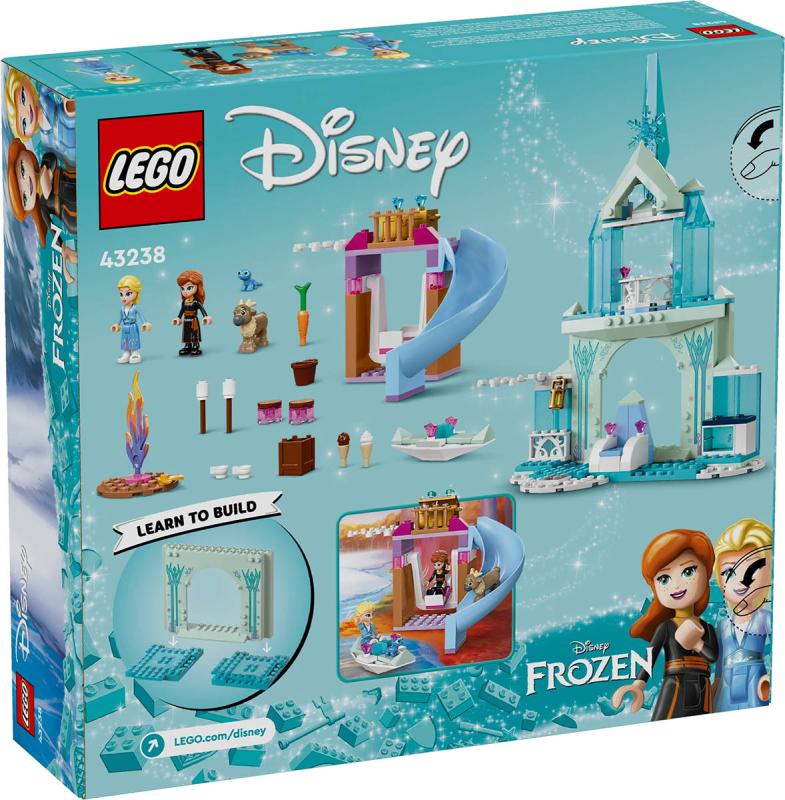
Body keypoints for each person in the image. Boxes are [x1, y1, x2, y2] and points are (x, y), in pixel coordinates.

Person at [612, 529, 718, 720]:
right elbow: (650, 657)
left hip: (702, 687)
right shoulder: (667, 627)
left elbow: (713, 655)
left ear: (706, 574)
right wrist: (638, 685)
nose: (676, 586)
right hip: (675, 684)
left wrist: (697, 643)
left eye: (688, 571)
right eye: (664, 579)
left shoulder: (707, 628)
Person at [713, 518, 772, 711]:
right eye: (729, 572)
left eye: (752, 569)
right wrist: (712, 694)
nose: (741, 580)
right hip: (725, 688)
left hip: (756, 683)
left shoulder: (766, 618)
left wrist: (770, 678)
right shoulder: (722, 625)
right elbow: (718, 668)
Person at [111, 275, 151, 364]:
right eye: (121, 294)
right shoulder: (122, 308)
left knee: (133, 339)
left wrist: (145, 323)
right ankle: (126, 352)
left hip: (133, 326)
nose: (123, 297)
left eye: (128, 294)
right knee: (125, 340)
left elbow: (141, 316)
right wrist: (117, 325)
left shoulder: (135, 308)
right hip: (124, 327)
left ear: (136, 293)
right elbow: (120, 318)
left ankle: (135, 352)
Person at [172, 270, 212, 356]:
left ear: (198, 286)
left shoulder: (196, 302)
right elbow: (181, 311)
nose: (185, 291)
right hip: (186, 319)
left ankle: (195, 346)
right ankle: (187, 345)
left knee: (194, 333)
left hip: (193, 319)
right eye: (182, 288)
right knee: (186, 333)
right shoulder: (184, 302)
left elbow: (202, 310)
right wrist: (178, 318)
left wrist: (205, 316)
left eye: (189, 288)